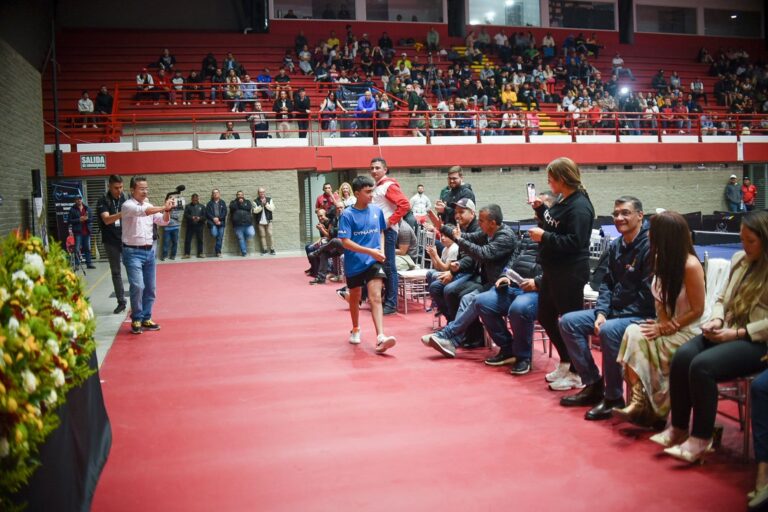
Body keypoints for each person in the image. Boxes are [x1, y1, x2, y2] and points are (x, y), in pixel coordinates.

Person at [654, 210, 768, 463]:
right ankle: (679, 428)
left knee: (702, 366)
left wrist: (736, 333)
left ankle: (702, 438)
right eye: (742, 239)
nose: (744, 246)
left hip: (756, 341)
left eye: (751, 241)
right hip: (728, 328)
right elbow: (720, 298)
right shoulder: (740, 259)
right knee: (683, 356)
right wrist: (717, 319)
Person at [558, 196, 655, 421]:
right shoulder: (616, 245)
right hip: (613, 312)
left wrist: (611, 316)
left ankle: (614, 397)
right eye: (616, 213)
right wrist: (601, 312)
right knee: (568, 322)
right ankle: (593, 384)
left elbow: (648, 295)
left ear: (640, 215)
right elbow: (607, 283)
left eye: (625, 213)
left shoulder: (650, 246)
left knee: (609, 330)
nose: (619, 218)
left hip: (641, 315)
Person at [614, 211, 705, 429]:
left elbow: (698, 310)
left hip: (689, 330)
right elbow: (659, 300)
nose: (649, 235)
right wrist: (660, 323)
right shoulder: (659, 259)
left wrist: (668, 328)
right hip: (667, 324)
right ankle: (639, 400)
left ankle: (653, 409)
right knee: (634, 332)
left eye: (653, 232)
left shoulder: (690, 265)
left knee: (646, 342)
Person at [528, 157, 595, 391]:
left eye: (551, 177)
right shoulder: (563, 200)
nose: (548, 181)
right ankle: (567, 361)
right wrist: (540, 210)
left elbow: (576, 242)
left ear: (563, 179)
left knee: (570, 322)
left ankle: (578, 372)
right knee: (546, 316)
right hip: (552, 270)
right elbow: (554, 224)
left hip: (570, 272)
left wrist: (543, 237)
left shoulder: (580, 207)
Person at [423, 204, 518, 357]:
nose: (478, 224)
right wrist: (442, 228)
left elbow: (483, 254)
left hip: (503, 284)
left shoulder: (504, 236)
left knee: (472, 298)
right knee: (466, 297)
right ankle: (450, 340)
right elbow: (468, 238)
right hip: (491, 283)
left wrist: (460, 239)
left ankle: (447, 336)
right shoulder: (488, 232)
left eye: (481, 221)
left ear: (492, 222)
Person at [337, 175, 397, 353]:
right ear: (357, 193)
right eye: (368, 191)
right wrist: (370, 251)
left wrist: (381, 251)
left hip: (373, 262)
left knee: (375, 297)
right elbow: (345, 242)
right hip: (354, 263)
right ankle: (355, 328)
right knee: (355, 297)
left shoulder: (377, 211)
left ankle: (380, 337)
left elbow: (380, 232)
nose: (372, 195)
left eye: (372, 190)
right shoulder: (347, 215)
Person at [477, 232, 542, 375]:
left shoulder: (555, 237)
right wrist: (504, 276)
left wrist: (537, 282)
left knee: (519, 308)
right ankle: (508, 348)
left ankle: (523, 357)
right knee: (482, 301)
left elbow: (558, 268)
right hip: (514, 285)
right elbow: (513, 260)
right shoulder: (527, 236)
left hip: (537, 291)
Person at [121, 176, 174, 334]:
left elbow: (163, 221)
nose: (145, 191)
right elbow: (144, 212)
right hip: (132, 252)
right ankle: (136, 318)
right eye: (142, 189)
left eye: (146, 189)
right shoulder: (127, 205)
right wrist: (163, 207)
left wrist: (167, 211)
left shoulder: (150, 205)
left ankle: (146, 318)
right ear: (132, 190)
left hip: (149, 251)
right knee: (138, 286)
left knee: (150, 288)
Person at [369, 157, 411, 315]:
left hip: (387, 231)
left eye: (377, 168)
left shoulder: (388, 185)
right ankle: (387, 299)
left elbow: (405, 205)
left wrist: (389, 222)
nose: (374, 170)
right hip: (380, 231)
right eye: (372, 168)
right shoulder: (378, 186)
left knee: (389, 267)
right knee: (383, 265)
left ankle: (392, 303)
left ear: (385, 170)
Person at [96, 174, 128, 313]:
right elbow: (107, 219)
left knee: (133, 269)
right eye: (116, 188)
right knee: (116, 272)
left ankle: (136, 300)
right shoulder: (103, 200)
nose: (119, 190)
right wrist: (124, 213)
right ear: (109, 186)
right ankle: (121, 301)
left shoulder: (125, 198)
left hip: (126, 238)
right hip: (111, 241)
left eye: (121, 187)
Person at [67, 195, 96, 269]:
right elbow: (69, 221)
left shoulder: (87, 208)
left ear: (82, 200)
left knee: (87, 248)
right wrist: (79, 220)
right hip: (78, 232)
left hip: (87, 231)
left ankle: (89, 264)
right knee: (77, 248)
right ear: (75, 201)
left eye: (80, 199)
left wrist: (87, 219)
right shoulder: (72, 209)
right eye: (77, 199)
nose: (79, 200)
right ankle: (76, 264)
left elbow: (92, 219)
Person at [229, 191, 255, 257]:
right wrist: (238, 202)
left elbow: (248, 208)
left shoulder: (247, 202)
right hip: (237, 225)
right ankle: (244, 252)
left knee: (251, 233)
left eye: (241, 195)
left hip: (248, 224)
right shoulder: (233, 202)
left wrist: (241, 205)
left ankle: (244, 240)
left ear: (243, 195)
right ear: (236, 196)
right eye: (238, 195)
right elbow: (232, 207)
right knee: (241, 238)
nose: (240, 196)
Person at [253, 187, 276, 255]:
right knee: (262, 236)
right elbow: (255, 211)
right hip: (260, 221)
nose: (262, 193)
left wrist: (266, 204)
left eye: (263, 192)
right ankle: (265, 250)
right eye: (260, 192)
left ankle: (272, 249)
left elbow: (272, 208)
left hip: (268, 220)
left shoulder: (269, 199)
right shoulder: (255, 201)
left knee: (270, 234)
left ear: (265, 192)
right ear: (258, 193)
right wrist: (261, 205)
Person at [182, 193, 206, 259]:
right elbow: (186, 215)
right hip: (190, 225)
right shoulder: (188, 206)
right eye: (193, 199)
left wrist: (199, 218)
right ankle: (187, 254)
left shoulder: (202, 206)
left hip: (199, 225)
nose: (195, 200)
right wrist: (192, 217)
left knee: (200, 240)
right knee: (188, 240)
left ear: (198, 199)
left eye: (196, 199)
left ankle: (200, 253)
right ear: (191, 199)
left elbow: (205, 216)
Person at [206, 189, 227, 257]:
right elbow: (207, 213)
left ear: (219, 194)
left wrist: (219, 219)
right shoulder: (209, 203)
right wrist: (213, 219)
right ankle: (217, 249)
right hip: (212, 222)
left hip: (221, 222)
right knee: (215, 234)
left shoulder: (222, 202)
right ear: (212, 195)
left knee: (220, 238)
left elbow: (225, 212)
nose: (215, 194)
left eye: (217, 193)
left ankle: (218, 252)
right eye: (214, 193)